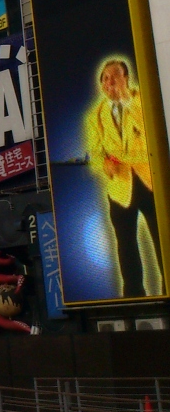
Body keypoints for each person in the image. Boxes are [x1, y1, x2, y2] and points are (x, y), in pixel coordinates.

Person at [89, 58, 166, 297]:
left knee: (163, 238)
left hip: (150, 181)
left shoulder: (143, 100)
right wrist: (104, 164)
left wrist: (127, 101)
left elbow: (152, 128)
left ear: (126, 78)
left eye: (114, 76)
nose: (110, 82)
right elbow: (94, 150)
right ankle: (134, 294)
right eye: (105, 79)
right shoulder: (97, 114)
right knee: (126, 245)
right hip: (120, 188)